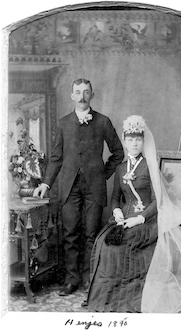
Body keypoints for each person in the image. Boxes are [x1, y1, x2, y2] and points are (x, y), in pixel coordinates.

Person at [85, 115, 181, 313]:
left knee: (125, 246)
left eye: (138, 139)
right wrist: (116, 211)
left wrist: (140, 218)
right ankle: (109, 298)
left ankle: (129, 299)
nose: (134, 143)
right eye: (130, 139)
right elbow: (115, 197)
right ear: (124, 141)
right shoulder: (121, 167)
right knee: (104, 243)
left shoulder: (150, 167)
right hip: (124, 218)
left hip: (146, 219)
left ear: (143, 141)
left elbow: (158, 201)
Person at [33, 78, 124, 296]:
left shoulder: (103, 121)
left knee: (91, 232)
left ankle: (89, 279)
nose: (82, 96)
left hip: (94, 186)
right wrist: (46, 184)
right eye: (77, 92)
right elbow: (56, 158)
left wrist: (102, 174)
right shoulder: (64, 123)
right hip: (69, 187)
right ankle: (72, 280)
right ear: (72, 95)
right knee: (70, 233)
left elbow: (118, 152)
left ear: (92, 95)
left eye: (86, 92)